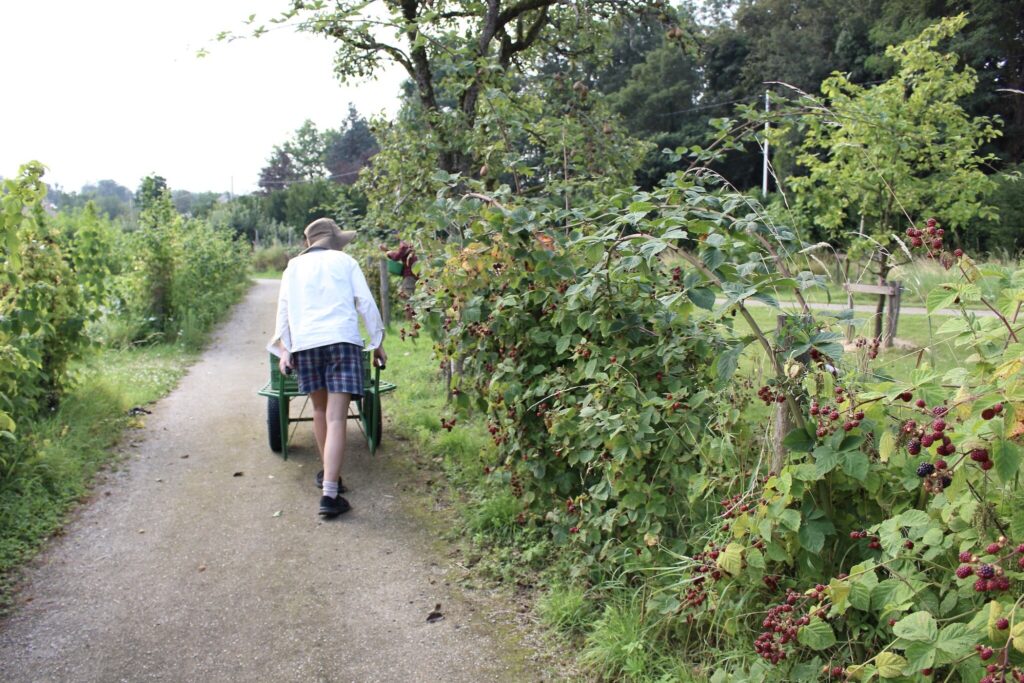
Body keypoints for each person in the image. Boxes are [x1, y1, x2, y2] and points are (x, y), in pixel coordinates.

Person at [270, 218, 387, 518]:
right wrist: (376, 342)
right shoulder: (345, 261)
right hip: (341, 340)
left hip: (307, 343)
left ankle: (328, 476)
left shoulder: (292, 267)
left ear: (309, 242)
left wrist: (285, 348)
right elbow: (365, 302)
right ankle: (330, 494)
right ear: (333, 241)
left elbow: (284, 310)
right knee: (337, 417)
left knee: (320, 412)